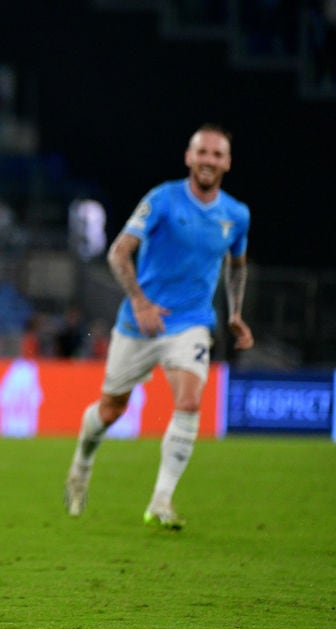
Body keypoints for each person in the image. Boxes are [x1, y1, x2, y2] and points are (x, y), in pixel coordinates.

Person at [64, 123, 253, 529]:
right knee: (112, 408)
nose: (209, 160)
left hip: (192, 323)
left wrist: (235, 313)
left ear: (228, 162)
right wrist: (141, 302)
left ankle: (161, 501)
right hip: (140, 323)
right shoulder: (163, 199)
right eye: (202, 152)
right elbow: (118, 252)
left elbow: (236, 267)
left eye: (217, 154)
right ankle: (81, 464)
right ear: (189, 156)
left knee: (188, 401)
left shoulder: (236, 215)